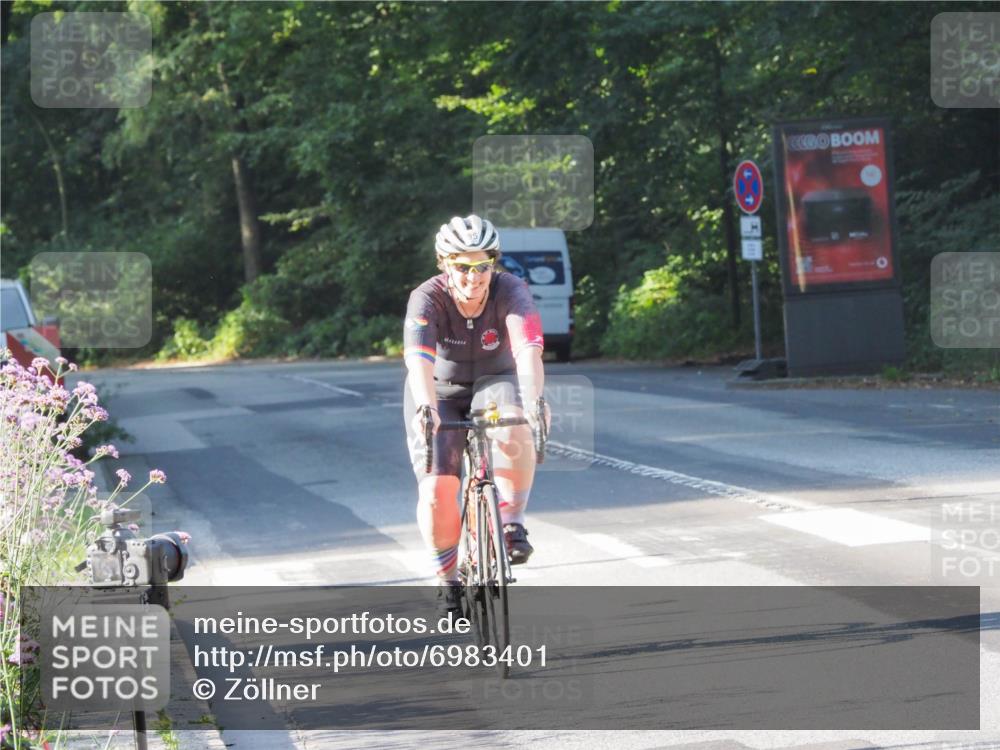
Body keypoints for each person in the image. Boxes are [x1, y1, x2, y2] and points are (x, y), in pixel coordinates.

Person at [403, 214, 548, 616]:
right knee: (436, 491)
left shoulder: (511, 290)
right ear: (444, 264)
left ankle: (511, 522)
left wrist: (536, 400)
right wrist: (426, 407)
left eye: (482, 265)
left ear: (493, 264)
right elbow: (418, 361)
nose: (473, 276)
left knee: (513, 421)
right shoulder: (426, 297)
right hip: (440, 389)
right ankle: (447, 576)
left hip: (494, 380)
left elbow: (527, 349)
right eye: (462, 266)